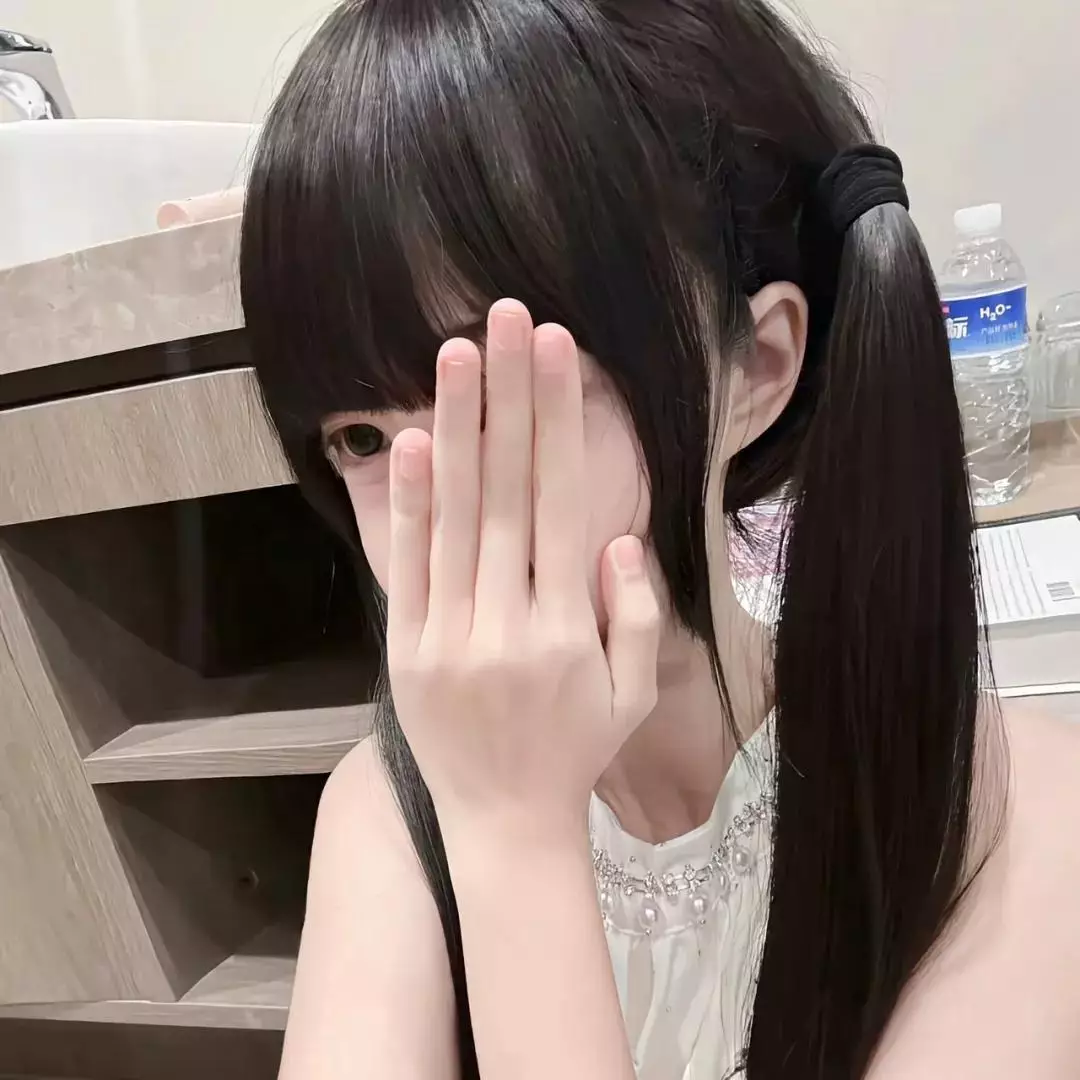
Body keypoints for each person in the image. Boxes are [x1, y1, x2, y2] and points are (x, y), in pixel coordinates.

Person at [238, 0, 1080, 1077]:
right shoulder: (389, 815)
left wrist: (513, 834)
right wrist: (503, 823)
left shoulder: (1013, 811)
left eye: (501, 397)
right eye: (361, 438)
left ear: (758, 368)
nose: (435, 512)